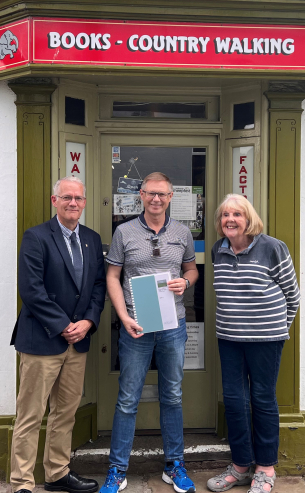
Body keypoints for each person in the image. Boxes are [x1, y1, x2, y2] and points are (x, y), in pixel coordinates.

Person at [99, 172, 200, 493]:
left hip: (173, 325)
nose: (156, 199)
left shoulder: (182, 232)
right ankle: (117, 470)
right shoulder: (123, 232)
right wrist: (123, 316)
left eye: (162, 195)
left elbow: (191, 268)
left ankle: (174, 465)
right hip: (136, 326)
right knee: (128, 399)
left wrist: (186, 282)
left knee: (172, 396)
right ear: (141, 195)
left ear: (171, 197)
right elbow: (112, 276)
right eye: (151, 194)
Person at [10, 176, 106, 493]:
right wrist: (65, 325)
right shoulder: (36, 237)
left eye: (78, 198)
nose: (73, 203)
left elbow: (97, 287)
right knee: (30, 414)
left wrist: (89, 322)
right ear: (55, 201)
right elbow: (31, 290)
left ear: (85, 202)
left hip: (78, 343)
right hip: (42, 340)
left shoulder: (92, 239)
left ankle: (57, 473)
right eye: (66, 198)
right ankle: (22, 482)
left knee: (65, 413)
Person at [206, 194, 300, 493]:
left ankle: (266, 468)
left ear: (249, 219)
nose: (230, 220)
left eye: (237, 214)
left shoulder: (272, 247)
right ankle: (241, 466)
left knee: (262, 399)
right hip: (229, 338)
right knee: (234, 402)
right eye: (225, 215)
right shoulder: (217, 250)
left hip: (265, 339)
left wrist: (276, 331)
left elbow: (292, 296)